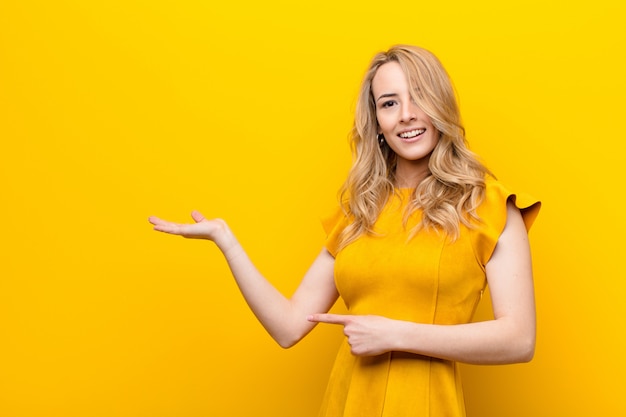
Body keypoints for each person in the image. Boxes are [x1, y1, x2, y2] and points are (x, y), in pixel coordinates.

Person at [148, 44, 541, 417]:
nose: (405, 114)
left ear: (441, 105)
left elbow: (519, 339)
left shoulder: (488, 205)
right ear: (378, 124)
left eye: (418, 96)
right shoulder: (360, 212)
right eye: (389, 103)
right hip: (346, 402)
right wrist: (226, 240)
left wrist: (395, 335)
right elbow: (288, 327)